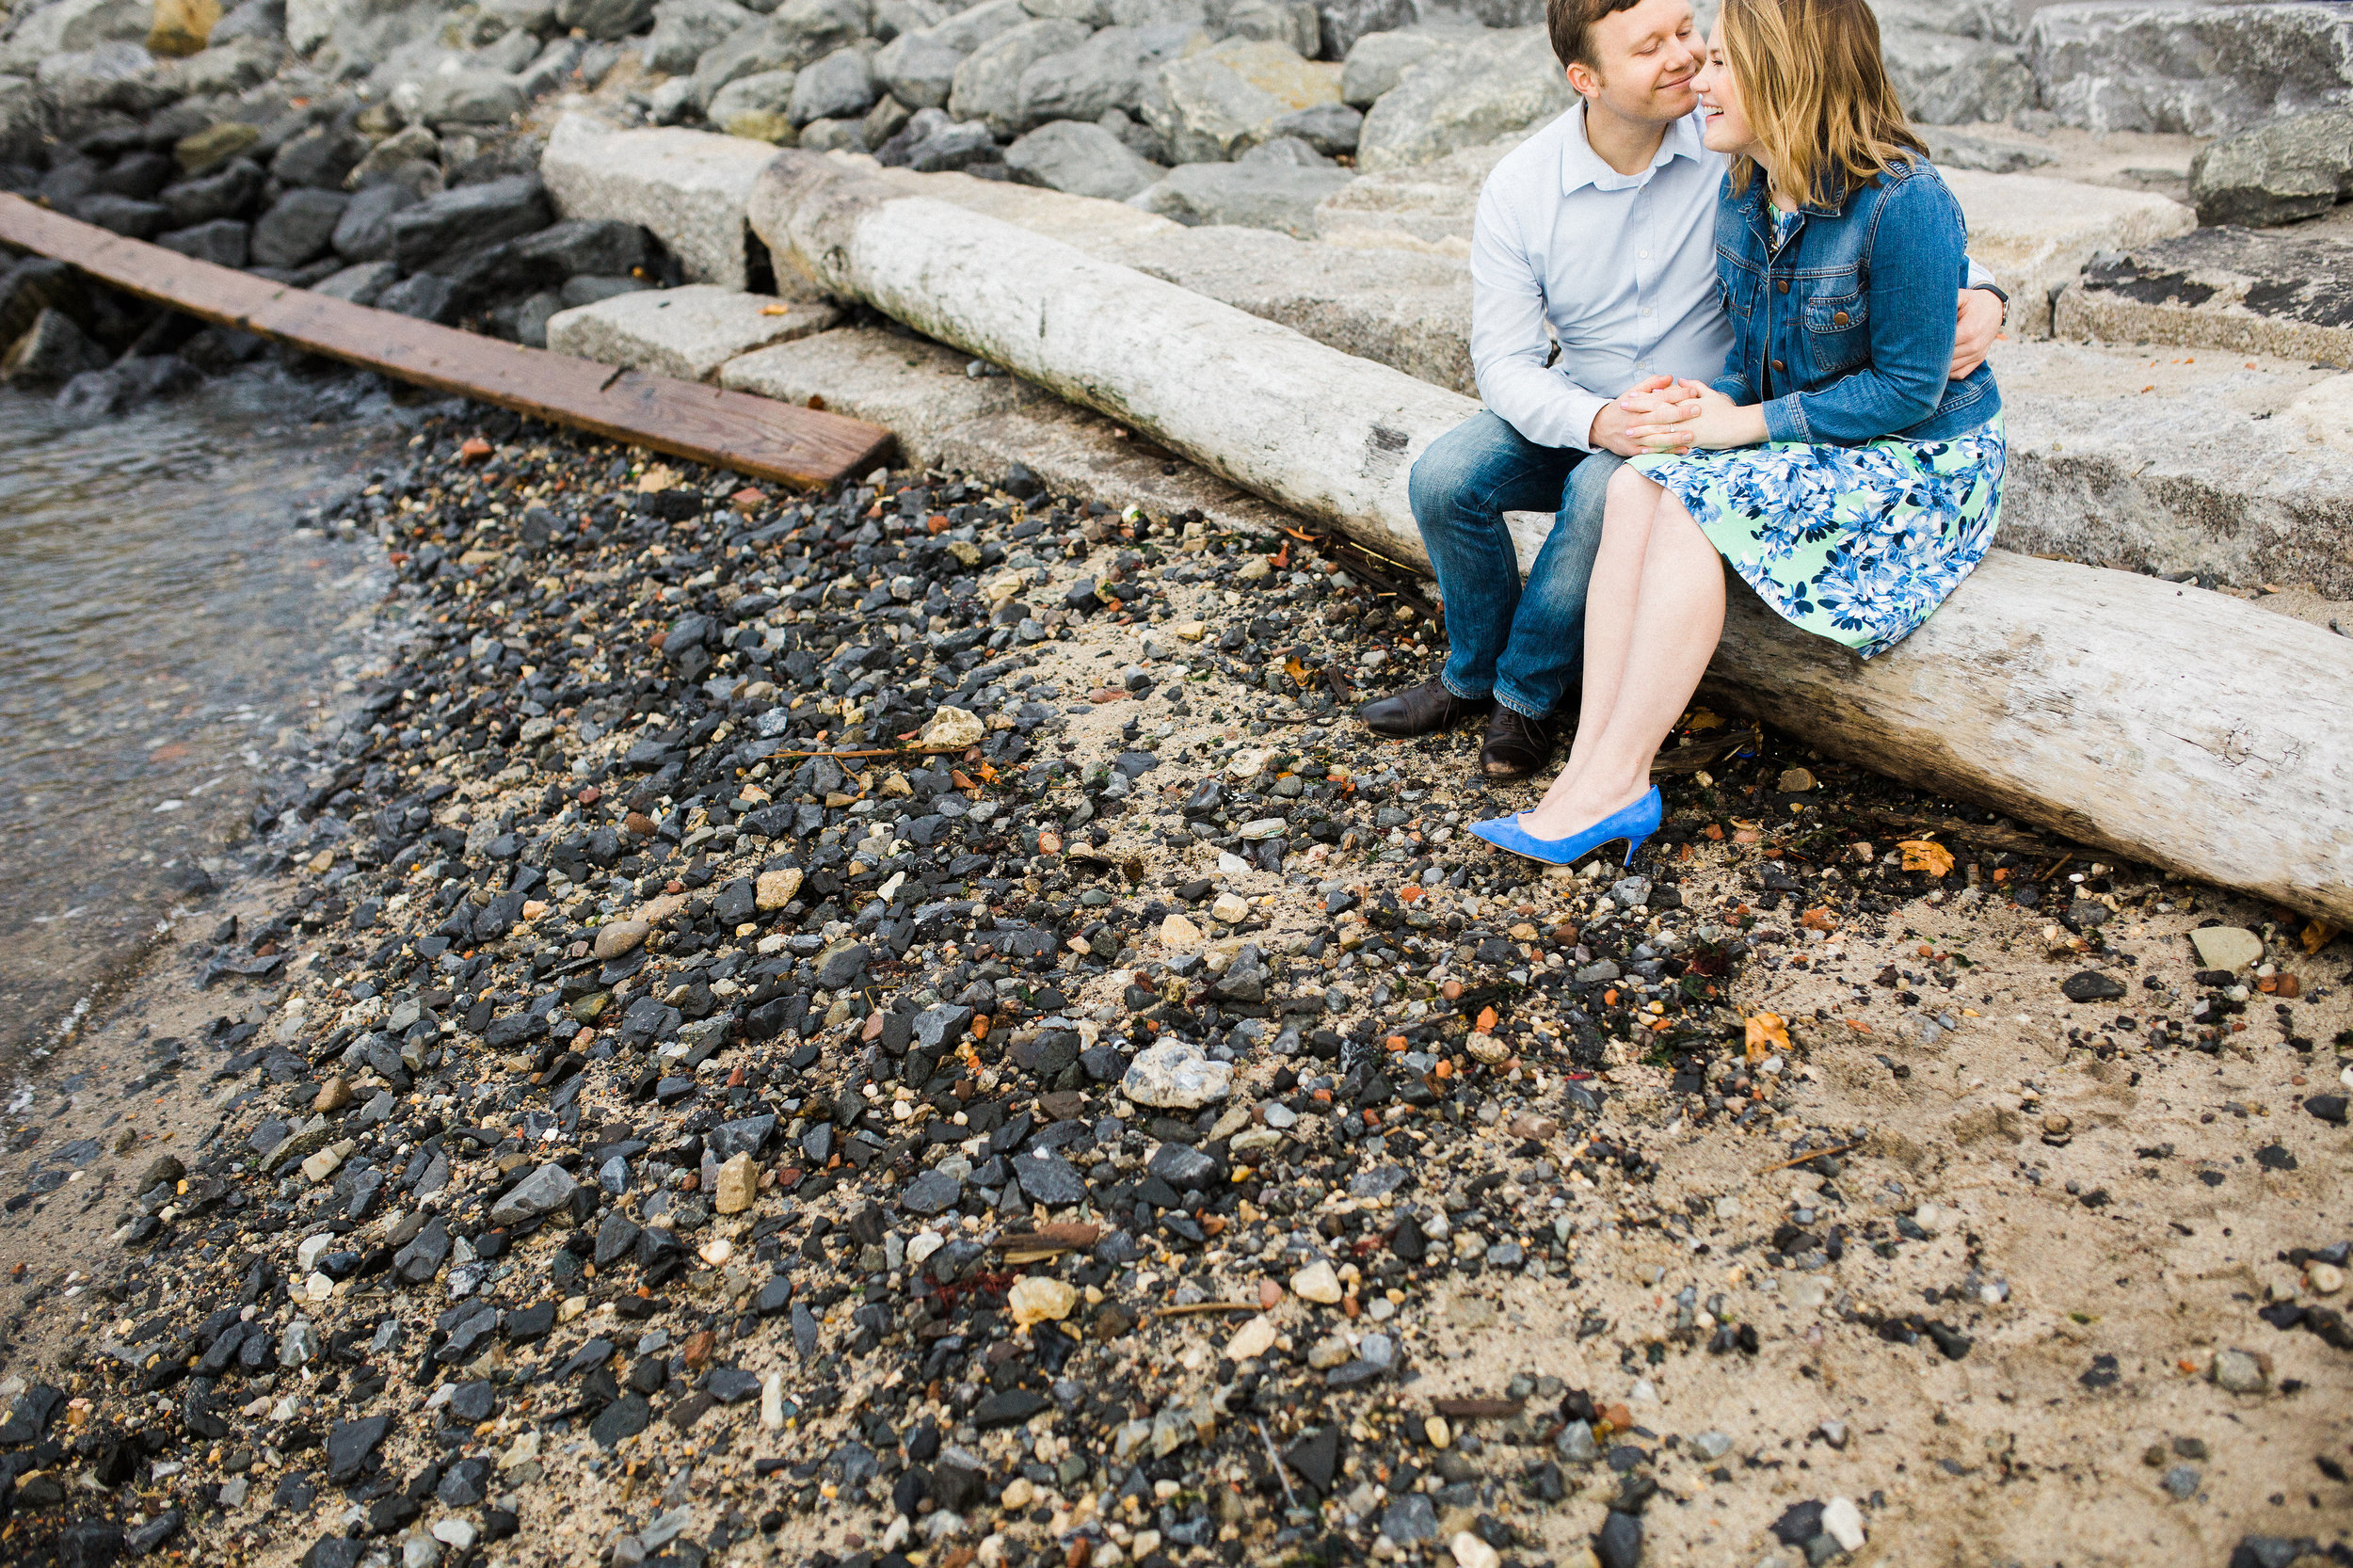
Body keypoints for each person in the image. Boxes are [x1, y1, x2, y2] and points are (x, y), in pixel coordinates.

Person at [1355, 0, 2003, 780]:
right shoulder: (1524, 188)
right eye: (1651, 48)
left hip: (1708, 412)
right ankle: (1471, 673)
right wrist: (1598, 419)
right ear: (1584, 78)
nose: (1689, 61)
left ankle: (1525, 698)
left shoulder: (1731, 137)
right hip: (1587, 403)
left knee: (1603, 492)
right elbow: (1502, 363)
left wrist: (1988, 294)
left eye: (1689, 33)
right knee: (1444, 476)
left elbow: (1875, 207)